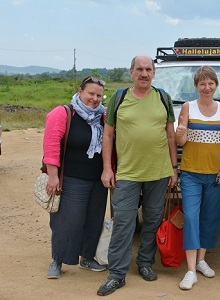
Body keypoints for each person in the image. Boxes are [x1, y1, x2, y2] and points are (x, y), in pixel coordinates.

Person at [97, 55, 178, 296]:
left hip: (159, 172)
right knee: (124, 222)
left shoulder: (163, 98)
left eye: (148, 69)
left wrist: (174, 168)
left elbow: (171, 136)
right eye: (139, 69)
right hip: (127, 173)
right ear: (131, 72)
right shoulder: (119, 98)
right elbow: (108, 135)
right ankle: (117, 273)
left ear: (154, 73)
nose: (144, 73)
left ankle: (145, 263)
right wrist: (107, 168)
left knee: (153, 220)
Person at [43, 76, 108, 279]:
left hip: (97, 180)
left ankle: (87, 257)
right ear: (80, 91)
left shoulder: (104, 116)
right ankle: (57, 259)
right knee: (67, 221)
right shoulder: (62, 113)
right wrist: (53, 176)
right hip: (71, 178)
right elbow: (51, 147)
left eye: (99, 95)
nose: (95, 99)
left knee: (94, 220)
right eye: (91, 94)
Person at [175, 66, 220, 290]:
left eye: (211, 83)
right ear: (196, 86)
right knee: (191, 218)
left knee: (210, 218)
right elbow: (180, 142)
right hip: (190, 174)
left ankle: (201, 261)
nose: (207, 88)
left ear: (216, 85)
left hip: (215, 175)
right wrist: (181, 134)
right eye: (202, 84)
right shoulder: (188, 107)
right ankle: (190, 271)